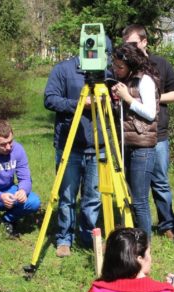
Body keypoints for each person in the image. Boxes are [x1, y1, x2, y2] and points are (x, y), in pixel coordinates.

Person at [43, 37, 112, 257]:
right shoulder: (63, 70)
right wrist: (80, 105)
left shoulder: (107, 74)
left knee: (93, 197)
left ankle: (89, 236)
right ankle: (64, 238)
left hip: (98, 146)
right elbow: (50, 99)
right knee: (67, 196)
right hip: (69, 145)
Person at [122, 24, 174, 240]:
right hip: (134, 135)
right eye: (126, 44)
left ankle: (167, 224)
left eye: (134, 44)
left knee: (160, 181)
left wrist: (151, 98)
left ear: (145, 42)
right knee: (135, 185)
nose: (130, 48)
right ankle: (138, 225)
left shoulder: (160, 64)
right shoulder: (126, 68)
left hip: (159, 133)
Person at [111, 42, 160, 239]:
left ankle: (144, 245)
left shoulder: (145, 80)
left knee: (139, 200)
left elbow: (150, 113)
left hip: (142, 147)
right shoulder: (126, 81)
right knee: (128, 196)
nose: (116, 70)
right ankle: (132, 239)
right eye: (114, 66)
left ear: (131, 65)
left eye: (120, 67)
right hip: (126, 144)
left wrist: (128, 99)